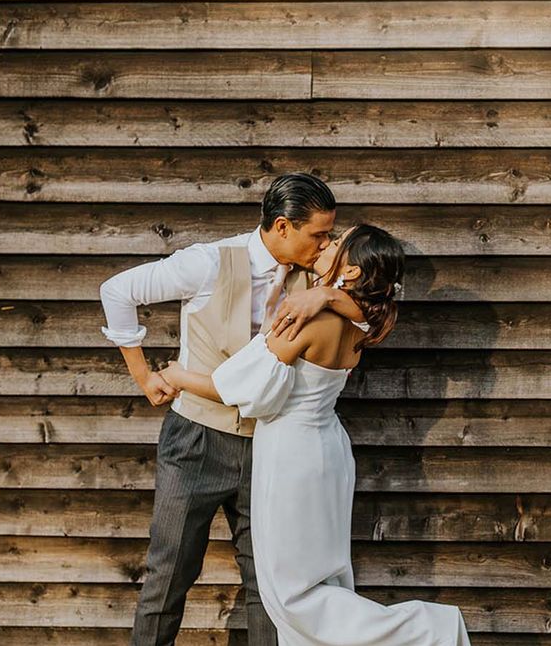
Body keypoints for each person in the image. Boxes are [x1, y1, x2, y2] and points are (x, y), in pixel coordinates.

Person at [160, 224, 472, 646]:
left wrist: (178, 375)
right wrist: (327, 292)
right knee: (322, 580)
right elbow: (364, 308)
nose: (327, 243)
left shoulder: (313, 319)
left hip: (292, 456)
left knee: (293, 596)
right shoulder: (363, 320)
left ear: (355, 273)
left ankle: (429, 629)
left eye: (338, 242)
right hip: (327, 451)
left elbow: (235, 389)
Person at [99, 172, 366, 646]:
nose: (326, 244)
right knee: (168, 576)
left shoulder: (320, 275)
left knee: (269, 585)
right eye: (319, 234)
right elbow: (118, 291)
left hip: (271, 449)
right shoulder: (207, 262)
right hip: (197, 441)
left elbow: (380, 304)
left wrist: (327, 293)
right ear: (283, 227)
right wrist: (144, 377)